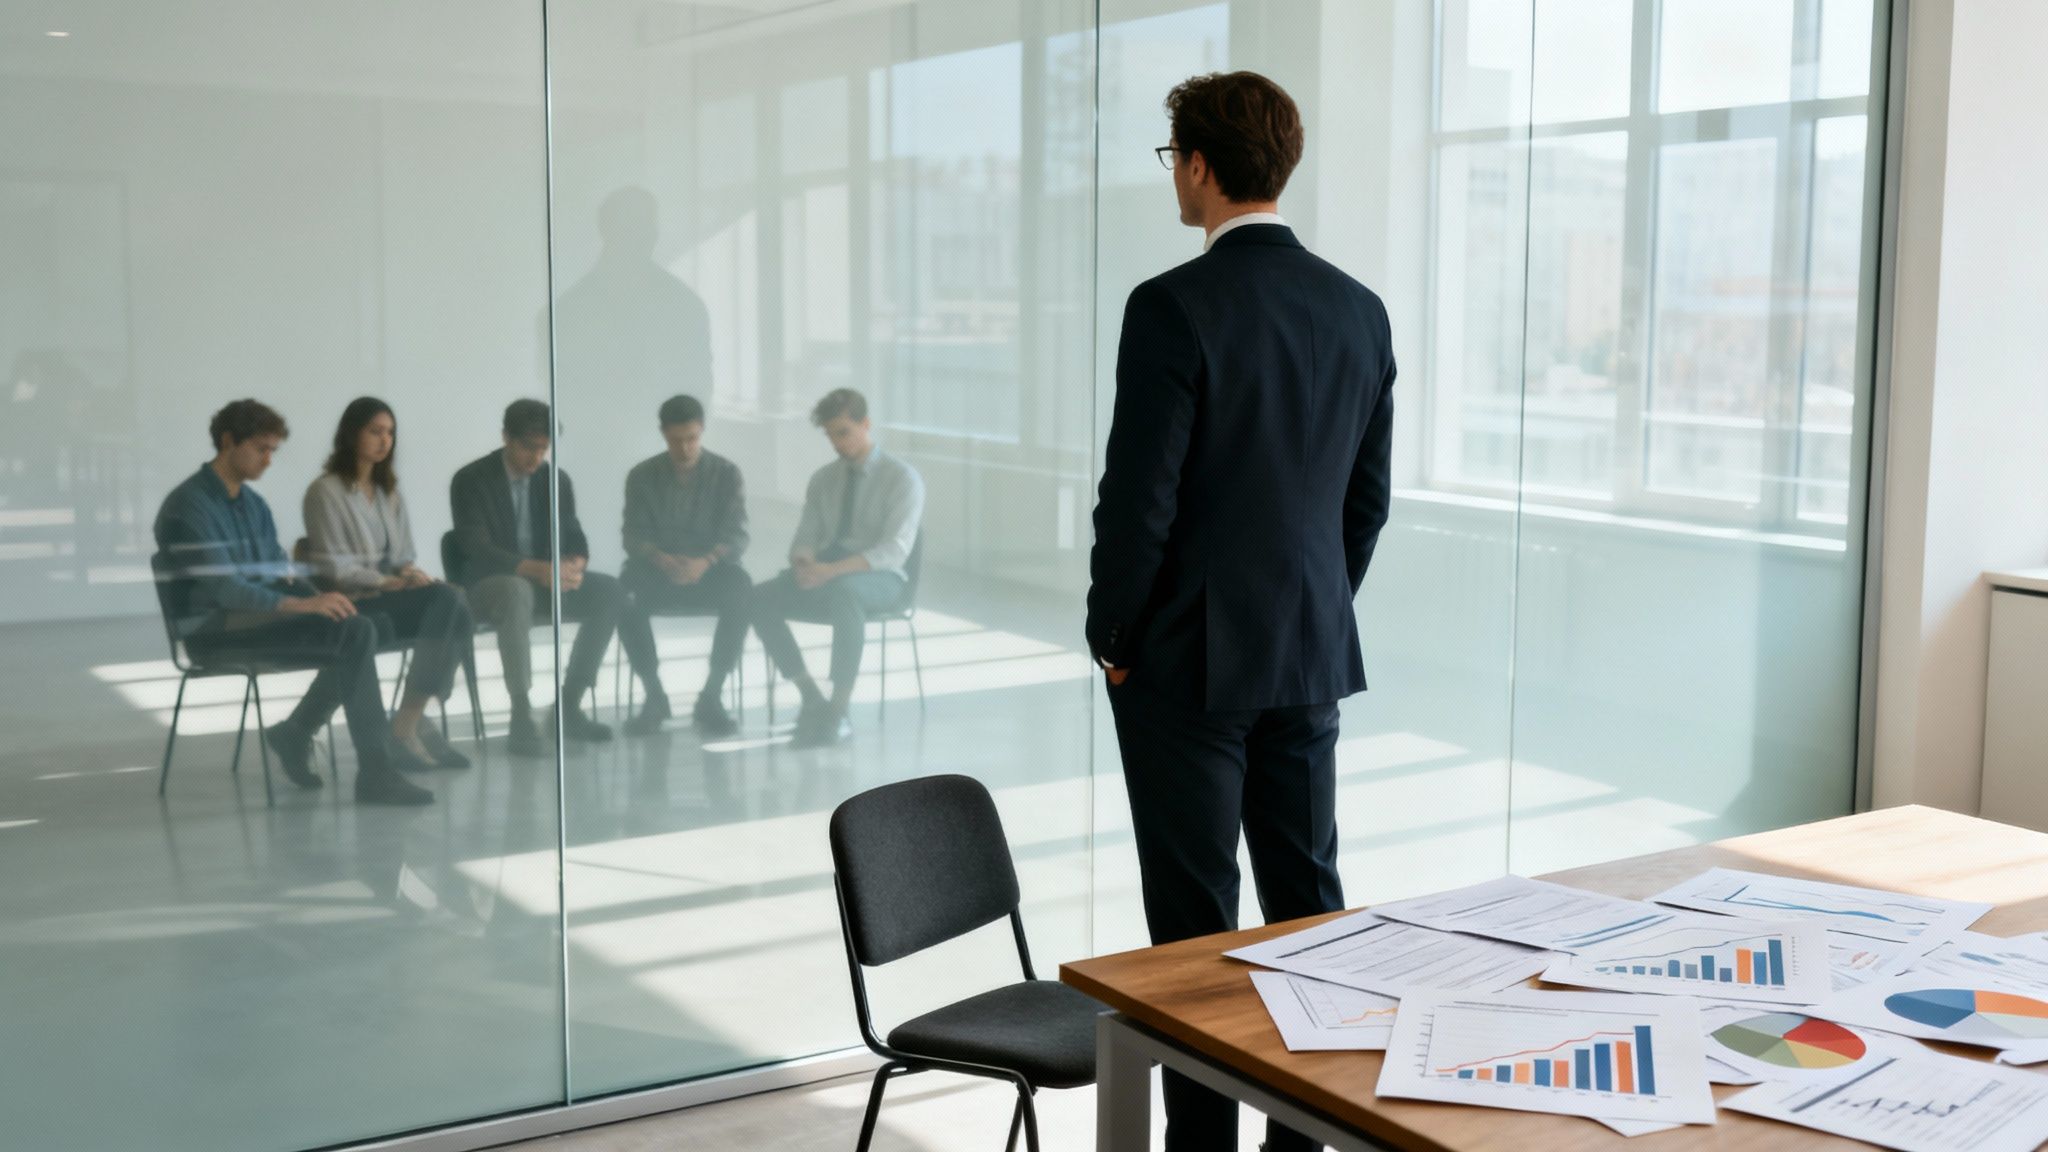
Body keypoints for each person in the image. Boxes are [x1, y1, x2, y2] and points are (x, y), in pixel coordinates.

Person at [1086, 72, 1395, 1152]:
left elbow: (1140, 502)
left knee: (1192, 927)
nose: (1173, 174)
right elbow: (1364, 503)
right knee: (1308, 908)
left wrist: (1112, 638)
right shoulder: (1357, 309)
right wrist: (1311, 609)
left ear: (1200, 165)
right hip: (1306, 654)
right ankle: (1306, 1135)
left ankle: (1202, 1146)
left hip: (1184, 663)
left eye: (1173, 155)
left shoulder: (1170, 305)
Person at [153, 399, 434, 806]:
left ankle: (298, 732)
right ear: (228, 442)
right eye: (261, 449)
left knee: (368, 623)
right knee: (355, 632)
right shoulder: (189, 505)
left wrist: (320, 598)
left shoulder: (253, 505)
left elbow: (280, 574)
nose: (269, 460)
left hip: (257, 617)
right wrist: (301, 606)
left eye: (273, 451)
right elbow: (226, 591)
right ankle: (371, 770)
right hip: (217, 630)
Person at [448, 399, 660, 755]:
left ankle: (569, 704)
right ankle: (520, 713)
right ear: (506, 437)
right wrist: (538, 570)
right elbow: (475, 549)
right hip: (490, 585)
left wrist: (574, 564)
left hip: (544, 581)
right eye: (528, 448)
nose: (536, 457)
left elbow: (574, 534)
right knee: (517, 591)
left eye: (544, 449)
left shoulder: (556, 479)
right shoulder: (471, 480)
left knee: (609, 590)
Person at [302, 396, 474, 769]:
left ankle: (407, 720)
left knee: (455, 601)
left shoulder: (388, 492)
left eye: (390, 433)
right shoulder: (325, 491)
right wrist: (387, 582)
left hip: (386, 598)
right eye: (375, 431)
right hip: (354, 602)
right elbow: (334, 568)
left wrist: (409, 574)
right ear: (352, 434)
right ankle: (409, 726)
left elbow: (402, 557)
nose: (385, 441)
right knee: (448, 603)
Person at [752, 388, 923, 748]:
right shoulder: (823, 479)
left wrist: (831, 572)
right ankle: (811, 697)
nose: (836, 443)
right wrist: (804, 561)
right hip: (829, 572)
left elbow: (894, 551)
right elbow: (806, 535)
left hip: (883, 578)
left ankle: (838, 709)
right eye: (829, 435)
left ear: (866, 424)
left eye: (843, 432)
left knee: (846, 594)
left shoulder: (902, 479)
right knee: (759, 597)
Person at [620, 394, 752, 738]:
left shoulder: (726, 473)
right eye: (677, 440)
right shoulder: (643, 475)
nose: (685, 447)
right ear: (663, 434)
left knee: (741, 590)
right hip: (658, 567)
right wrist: (660, 558)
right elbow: (633, 535)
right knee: (624, 594)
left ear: (702, 431)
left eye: (692, 438)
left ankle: (712, 693)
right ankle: (653, 693)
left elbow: (737, 536)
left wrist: (705, 561)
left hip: (709, 568)